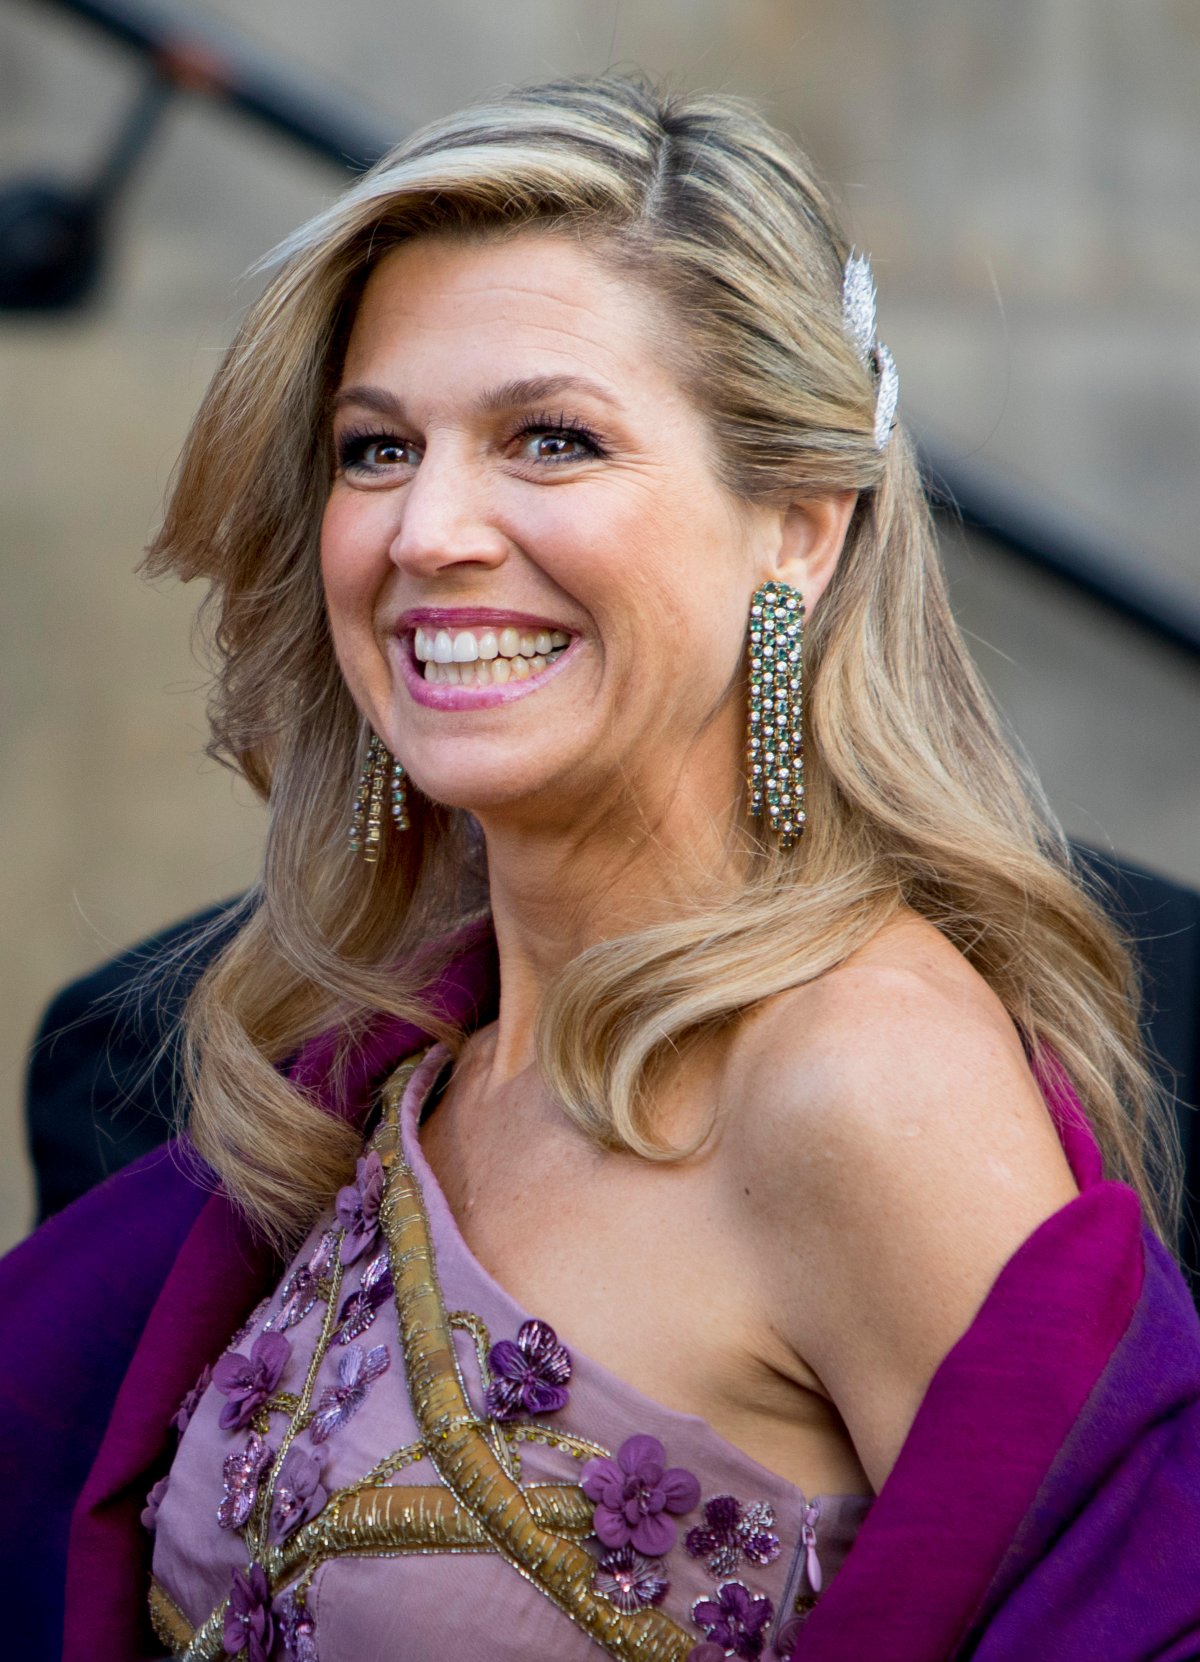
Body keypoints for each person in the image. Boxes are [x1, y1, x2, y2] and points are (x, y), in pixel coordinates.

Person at [3, 72, 1198, 1662]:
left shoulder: (862, 1080)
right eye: (376, 449)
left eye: (550, 439)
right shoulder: (391, 1068)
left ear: (800, 524)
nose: (428, 528)